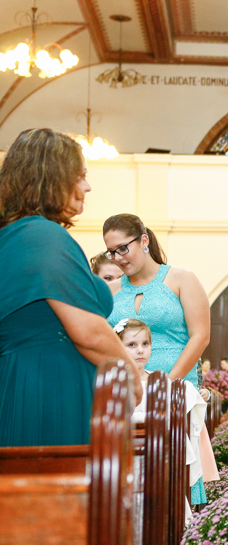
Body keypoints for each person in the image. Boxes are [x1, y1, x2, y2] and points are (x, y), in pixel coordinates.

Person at [0, 129, 142, 447]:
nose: (87, 186)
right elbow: (88, 332)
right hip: (50, 389)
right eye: (80, 176)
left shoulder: (13, 236)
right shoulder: (44, 236)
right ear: (52, 178)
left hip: (24, 381)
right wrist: (132, 376)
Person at [103, 214, 210, 388]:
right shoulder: (109, 290)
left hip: (176, 390)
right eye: (112, 252)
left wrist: (166, 385)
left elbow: (200, 337)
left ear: (144, 241)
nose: (118, 258)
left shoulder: (182, 279)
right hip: (126, 391)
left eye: (123, 248)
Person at [117, 317, 212, 506]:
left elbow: (178, 402)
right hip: (125, 453)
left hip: (158, 455)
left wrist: (198, 395)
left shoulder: (158, 381)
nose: (140, 350)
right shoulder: (116, 381)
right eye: (131, 345)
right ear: (118, 347)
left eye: (145, 343)